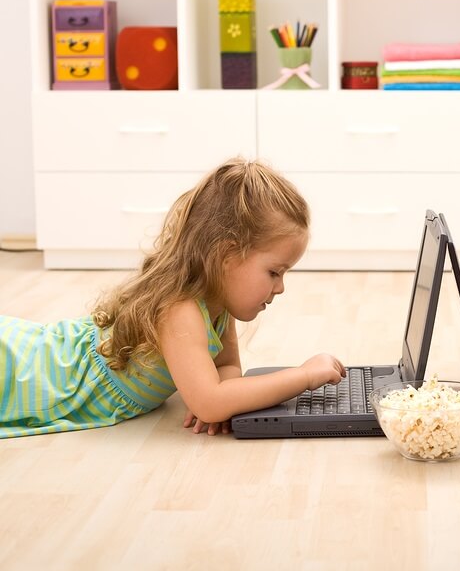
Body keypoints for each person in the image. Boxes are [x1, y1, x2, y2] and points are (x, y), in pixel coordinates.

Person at [0, 158, 345, 438]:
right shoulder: (180, 308)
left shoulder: (216, 303)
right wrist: (303, 376)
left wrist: (224, 399)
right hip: (33, 371)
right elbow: (210, 402)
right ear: (227, 256)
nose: (280, 287)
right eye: (274, 272)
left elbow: (225, 367)